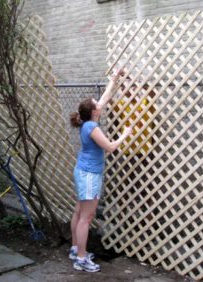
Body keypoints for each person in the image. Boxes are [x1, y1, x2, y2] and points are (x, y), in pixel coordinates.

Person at [69, 70, 133, 272]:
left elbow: (104, 98)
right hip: (89, 174)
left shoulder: (88, 121)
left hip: (83, 171)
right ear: (94, 111)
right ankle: (81, 258)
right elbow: (110, 147)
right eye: (97, 104)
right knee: (87, 217)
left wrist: (113, 80)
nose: (100, 104)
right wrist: (125, 135)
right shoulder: (92, 128)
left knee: (79, 212)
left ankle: (75, 249)